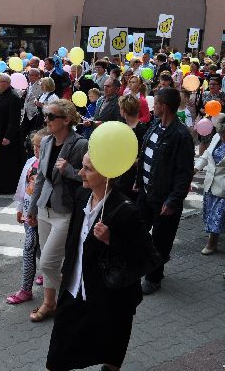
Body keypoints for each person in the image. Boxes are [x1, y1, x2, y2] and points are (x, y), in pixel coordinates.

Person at [46, 153, 151, 371]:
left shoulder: (126, 210)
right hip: (75, 287)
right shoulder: (82, 196)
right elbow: (73, 241)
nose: (81, 173)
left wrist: (111, 239)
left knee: (112, 341)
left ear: (106, 175)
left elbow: (145, 256)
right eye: (82, 167)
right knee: (58, 347)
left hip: (107, 294)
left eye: (88, 169)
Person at [26, 99, 87, 322]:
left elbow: (91, 176)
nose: (46, 120)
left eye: (51, 116)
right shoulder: (47, 142)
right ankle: (49, 303)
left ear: (67, 120)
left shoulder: (80, 144)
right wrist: (32, 208)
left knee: (48, 263)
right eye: (46, 116)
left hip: (65, 211)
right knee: (49, 261)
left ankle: (74, 300)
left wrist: (70, 170)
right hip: (44, 209)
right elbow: (41, 177)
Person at [137, 88, 194, 295]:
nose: (153, 107)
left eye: (157, 103)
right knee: (137, 230)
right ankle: (144, 264)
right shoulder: (155, 125)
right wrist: (138, 181)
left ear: (165, 106)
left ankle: (154, 277)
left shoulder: (181, 136)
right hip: (145, 193)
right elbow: (144, 155)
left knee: (160, 241)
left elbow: (184, 173)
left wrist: (173, 201)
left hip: (164, 200)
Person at [7, 129, 48, 305]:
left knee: (29, 249)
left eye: (40, 146)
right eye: (34, 146)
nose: (36, 149)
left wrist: (36, 215)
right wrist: (19, 208)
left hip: (39, 215)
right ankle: (47, 274)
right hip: (27, 212)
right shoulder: (31, 162)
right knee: (38, 248)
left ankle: (25, 289)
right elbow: (23, 187)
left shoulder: (48, 165)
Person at [194, 116, 225, 255]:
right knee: (210, 213)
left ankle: (212, 243)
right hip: (211, 182)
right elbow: (206, 156)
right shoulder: (217, 137)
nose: (223, 139)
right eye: (221, 135)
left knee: (218, 215)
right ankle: (214, 236)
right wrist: (196, 168)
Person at [0, 73, 24, 194]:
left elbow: (14, 119)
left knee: (6, 162)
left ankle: (7, 187)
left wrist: (8, 136)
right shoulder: (0, 93)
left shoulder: (14, 97)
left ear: (7, 83)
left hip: (6, 135)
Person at [115, 94, 149, 202]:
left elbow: (145, 156)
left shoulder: (142, 130)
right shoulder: (121, 127)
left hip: (134, 176)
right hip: (121, 174)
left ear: (124, 110)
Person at [21, 68, 44, 139]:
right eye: (29, 75)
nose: (29, 76)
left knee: (32, 134)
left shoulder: (41, 86)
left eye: (31, 75)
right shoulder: (28, 85)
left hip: (34, 113)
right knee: (23, 133)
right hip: (25, 112)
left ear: (37, 76)